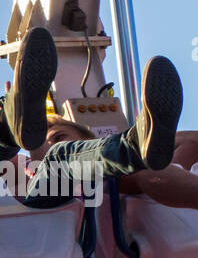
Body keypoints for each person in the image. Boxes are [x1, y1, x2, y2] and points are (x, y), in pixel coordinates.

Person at [0, 29, 183, 209]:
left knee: (58, 157)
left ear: (89, 140)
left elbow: (195, 138)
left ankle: (136, 143)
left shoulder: (88, 171)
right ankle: (8, 125)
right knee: (52, 158)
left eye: (59, 137)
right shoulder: (29, 170)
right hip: (37, 221)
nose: (52, 144)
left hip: (59, 210)